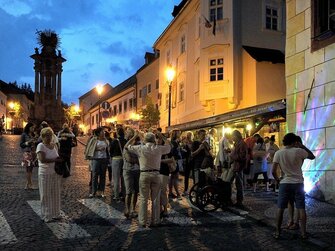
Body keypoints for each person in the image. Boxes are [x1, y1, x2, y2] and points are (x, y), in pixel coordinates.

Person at [272, 133, 315, 240]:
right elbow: (312, 156)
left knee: (280, 208)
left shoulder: (278, 153)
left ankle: (277, 232)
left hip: (285, 183)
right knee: (301, 208)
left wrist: (278, 180)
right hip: (298, 183)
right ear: (294, 142)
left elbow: (273, 171)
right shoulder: (299, 151)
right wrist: (302, 146)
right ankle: (304, 233)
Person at [125, 131, 171, 228]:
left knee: (143, 199)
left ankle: (142, 221)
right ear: (154, 139)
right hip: (156, 174)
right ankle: (155, 221)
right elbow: (169, 146)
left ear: (145, 140)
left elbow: (127, 146)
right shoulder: (158, 148)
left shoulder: (140, 148)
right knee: (155, 199)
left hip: (144, 174)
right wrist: (161, 135)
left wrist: (134, 136)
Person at [36, 127, 63, 222]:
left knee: (55, 193)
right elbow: (42, 159)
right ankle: (46, 215)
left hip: (55, 172)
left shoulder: (54, 145)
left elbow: (57, 156)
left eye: (50, 135)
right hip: (45, 173)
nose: (49, 137)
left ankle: (56, 213)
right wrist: (55, 160)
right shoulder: (40, 146)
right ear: (42, 136)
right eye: (47, 135)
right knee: (45, 194)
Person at [84, 127, 110, 198]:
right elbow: (90, 148)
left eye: (104, 132)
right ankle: (93, 192)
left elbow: (108, 149)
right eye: (102, 132)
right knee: (95, 175)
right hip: (96, 159)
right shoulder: (94, 140)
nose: (104, 133)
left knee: (103, 176)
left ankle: (101, 191)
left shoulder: (106, 140)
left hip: (104, 159)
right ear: (98, 133)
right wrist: (98, 149)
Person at [122, 127, 140, 218]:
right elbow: (129, 159)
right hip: (128, 170)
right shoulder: (127, 145)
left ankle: (133, 209)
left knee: (136, 191)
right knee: (129, 192)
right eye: (129, 135)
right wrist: (137, 160)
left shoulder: (138, 145)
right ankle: (127, 209)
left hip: (137, 171)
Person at [229, 130, 248, 208]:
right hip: (235, 166)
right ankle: (233, 200)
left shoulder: (242, 144)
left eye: (233, 136)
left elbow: (242, 157)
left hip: (239, 167)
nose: (232, 138)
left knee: (239, 184)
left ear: (236, 136)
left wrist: (231, 156)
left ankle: (239, 202)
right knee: (232, 183)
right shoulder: (237, 144)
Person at [110, 127, 127, 201]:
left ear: (117, 133)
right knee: (123, 178)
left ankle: (116, 195)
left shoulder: (114, 141)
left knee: (116, 179)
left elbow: (110, 151)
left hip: (116, 160)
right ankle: (124, 194)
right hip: (124, 160)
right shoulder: (126, 141)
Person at [20, 122, 38, 189]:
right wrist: (28, 142)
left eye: (34, 128)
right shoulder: (24, 134)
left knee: (31, 169)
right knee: (28, 169)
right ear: (28, 127)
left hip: (33, 152)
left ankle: (27, 184)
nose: (33, 129)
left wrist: (36, 140)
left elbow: (36, 143)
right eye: (32, 127)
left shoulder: (33, 134)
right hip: (27, 153)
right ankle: (30, 184)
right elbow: (21, 144)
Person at [168, 129, 182, 200]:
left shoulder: (172, 142)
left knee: (172, 177)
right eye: (179, 133)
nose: (180, 134)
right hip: (174, 161)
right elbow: (174, 153)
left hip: (172, 162)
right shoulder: (174, 143)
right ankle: (178, 193)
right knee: (175, 177)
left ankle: (170, 193)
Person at [181, 131, 194, 196]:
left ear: (192, 136)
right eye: (188, 135)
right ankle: (186, 190)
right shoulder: (185, 144)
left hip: (192, 161)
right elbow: (183, 152)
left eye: (189, 135)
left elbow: (192, 151)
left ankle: (194, 189)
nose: (188, 136)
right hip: (186, 161)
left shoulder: (193, 143)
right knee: (186, 176)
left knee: (194, 176)